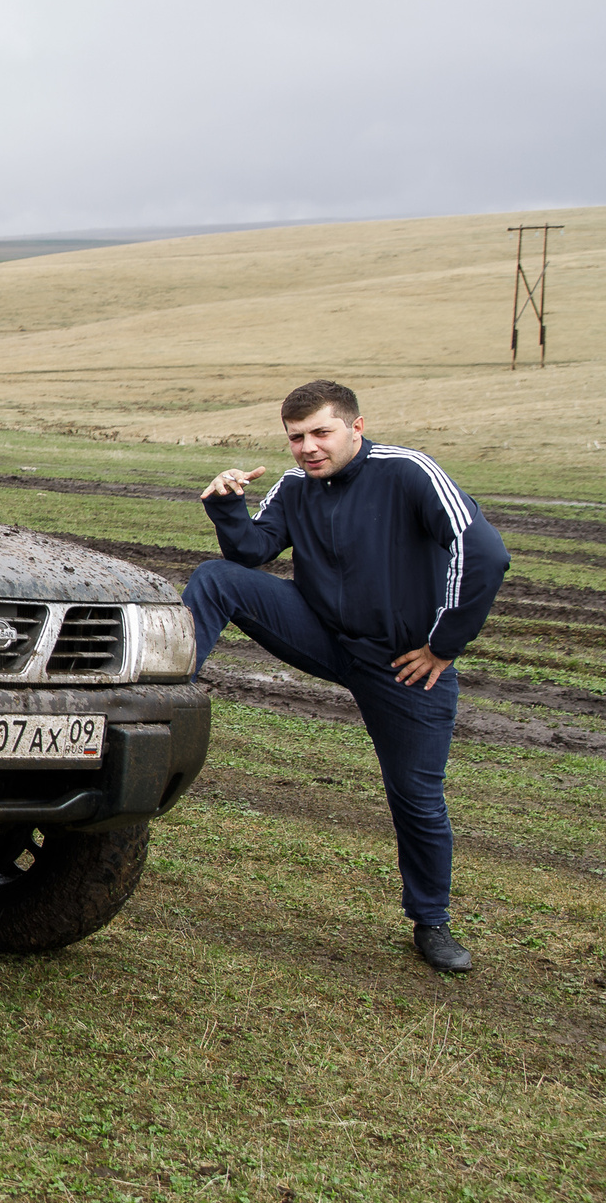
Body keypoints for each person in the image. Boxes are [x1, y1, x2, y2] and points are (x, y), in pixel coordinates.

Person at [185, 380, 508, 972]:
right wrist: (228, 505)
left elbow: (483, 553)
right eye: (295, 437)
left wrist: (442, 646)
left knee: (417, 798)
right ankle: (171, 687)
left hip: (402, 665)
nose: (308, 447)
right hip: (324, 635)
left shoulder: (409, 472)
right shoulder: (295, 485)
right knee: (216, 579)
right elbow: (252, 552)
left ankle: (431, 922)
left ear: (356, 427)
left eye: (321, 433)